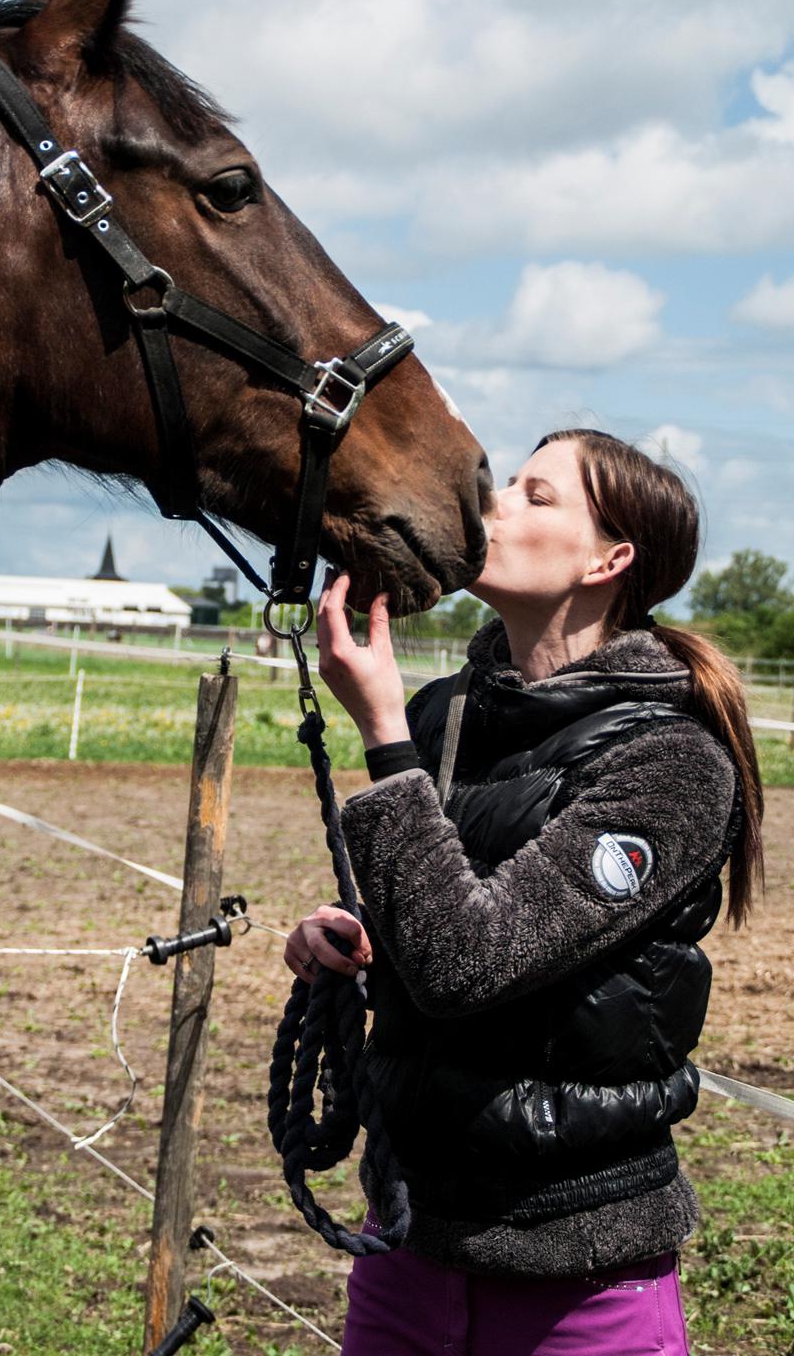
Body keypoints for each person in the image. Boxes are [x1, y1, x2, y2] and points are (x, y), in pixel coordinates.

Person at [284, 429, 764, 1356]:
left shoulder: (671, 764)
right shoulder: (443, 715)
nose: (495, 505)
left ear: (609, 559)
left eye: (537, 497)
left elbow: (472, 960)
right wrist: (343, 940)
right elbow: (423, 938)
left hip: (578, 1278)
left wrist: (382, 737)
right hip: (409, 1243)